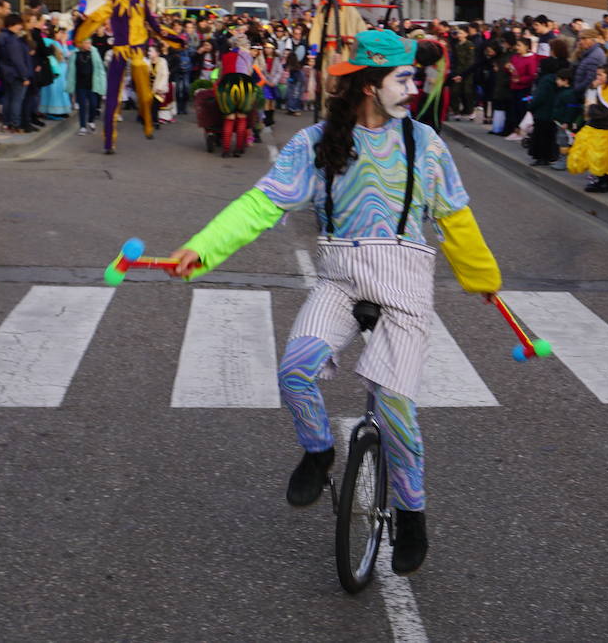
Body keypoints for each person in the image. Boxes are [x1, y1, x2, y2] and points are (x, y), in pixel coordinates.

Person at [167, 29, 502, 577]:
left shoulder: (425, 143)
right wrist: (201, 249)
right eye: (403, 78)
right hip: (342, 279)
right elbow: (259, 205)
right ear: (370, 85)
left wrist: (481, 276)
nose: (413, 87)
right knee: (294, 369)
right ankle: (319, 448)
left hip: (403, 287)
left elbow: (455, 219)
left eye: (412, 76)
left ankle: (412, 514)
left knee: (395, 409)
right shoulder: (315, 143)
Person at [75, 0, 164, 154]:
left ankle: (148, 125)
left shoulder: (141, 2)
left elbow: (154, 24)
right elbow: (97, 17)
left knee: (145, 92)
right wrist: (81, 31)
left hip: (138, 52)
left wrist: (168, 37)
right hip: (119, 52)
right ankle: (109, 142)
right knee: (112, 96)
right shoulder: (113, 3)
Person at [568, 65, 608, 192]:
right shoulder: (600, 88)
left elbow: (602, 112)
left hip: (607, 129)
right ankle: (599, 180)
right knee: (593, 156)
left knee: (603, 158)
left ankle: (604, 183)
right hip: (595, 127)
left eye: (601, 75)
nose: (597, 77)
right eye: (597, 75)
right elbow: (590, 107)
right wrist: (592, 90)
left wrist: (591, 107)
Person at [0, 14, 33, 134]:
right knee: (17, 100)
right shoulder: (12, 40)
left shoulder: (2, 37)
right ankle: (15, 124)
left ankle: (6, 124)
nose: (20, 27)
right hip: (16, 74)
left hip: (5, 73)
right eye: (18, 24)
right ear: (11, 25)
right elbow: (17, 60)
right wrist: (24, 76)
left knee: (8, 98)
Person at [65, 36, 106, 136]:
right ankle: (82, 126)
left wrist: (102, 82)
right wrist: (70, 83)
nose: (88, 45)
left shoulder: (94, 53)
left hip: (92, 84)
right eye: (86, 43)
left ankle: (90, 121)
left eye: (89, 43)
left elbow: (100, 68)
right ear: (81, 44)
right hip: (80, 84)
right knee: (82, 106)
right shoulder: (75, 54)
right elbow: (71, 70)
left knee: (93, 104)